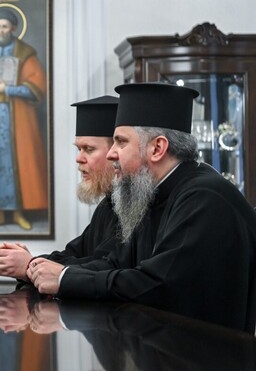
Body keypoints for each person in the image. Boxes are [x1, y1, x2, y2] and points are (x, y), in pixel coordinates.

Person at [28, 82, 256, 333]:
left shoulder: (203, 198)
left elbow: (157, 284)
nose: (112, 153)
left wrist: (63, 279)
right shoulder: (151, 196)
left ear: (157, 148)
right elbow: (116, 264)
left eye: (121, 142)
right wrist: (41, 270)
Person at [0, 96, 120, 280]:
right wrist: (32, 263)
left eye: (88, 149)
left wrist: (30, 265)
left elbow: (104, 266)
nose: (79, 158)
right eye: (78, 149)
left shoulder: (134, 207)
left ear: (115, 153)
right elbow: (74, 254)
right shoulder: (107, 205)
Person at [0, 9, 48, 230]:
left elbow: (38, 87)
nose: (1, 30)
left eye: (5, 26)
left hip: (16, 119)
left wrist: (8, 89)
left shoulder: (25, 53)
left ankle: (18, 212)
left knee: (16, 163)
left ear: (13, 28)